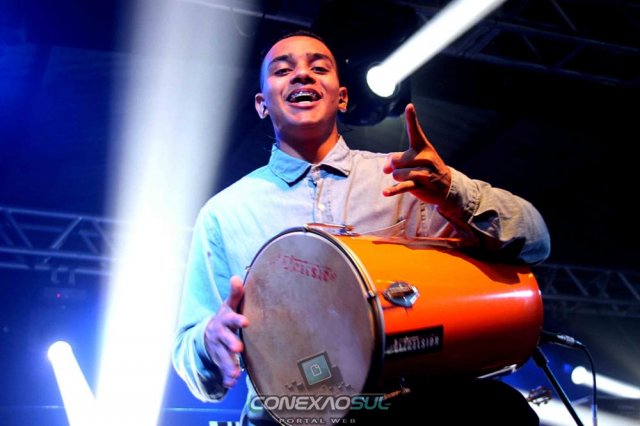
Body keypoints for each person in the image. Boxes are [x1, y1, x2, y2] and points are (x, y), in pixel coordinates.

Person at [172, 29, 550, 425]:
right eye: (282, 70)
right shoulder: (225, 213)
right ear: (262, 104)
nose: (302, 74)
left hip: (409, 405)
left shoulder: (407, 179)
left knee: (505, 410)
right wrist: (208, 342)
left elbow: (537, 241)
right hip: (293, 414)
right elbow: (193, 365)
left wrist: (454, 191)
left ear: (342, 97)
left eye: (319, 67)